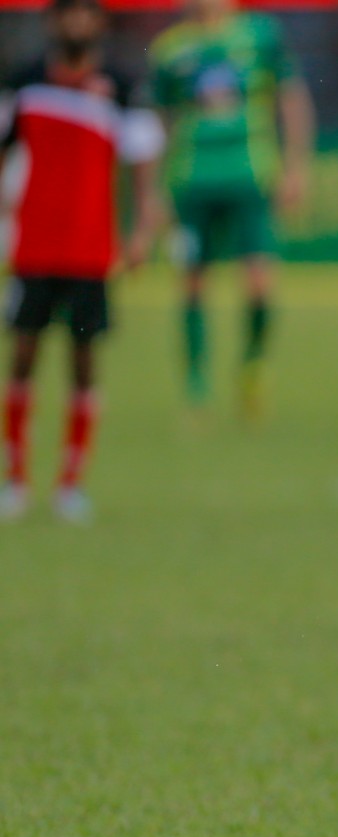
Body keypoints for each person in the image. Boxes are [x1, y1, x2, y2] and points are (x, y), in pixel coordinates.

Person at [0, 0, 163, 524]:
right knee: (23, 357)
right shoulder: (23, 81)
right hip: (33, 248)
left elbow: (142, 166)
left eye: (85, 13)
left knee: (84, 361)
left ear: (99, 22)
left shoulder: (121, 84)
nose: (77, 23)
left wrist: (141, 231)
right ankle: (17, 478)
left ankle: (71, 482)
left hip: (92, 252)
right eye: (67, 13)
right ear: (53, 22)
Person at [148, 0, 312, 418]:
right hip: (191, 181)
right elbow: (161, 121)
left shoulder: (261, 34)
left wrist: (296, 166)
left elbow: (291, 98)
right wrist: (156, 189)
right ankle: (196, 383)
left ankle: (252, 365)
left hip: (250, 176)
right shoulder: (169, 49)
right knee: (191, 283)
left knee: (259, 283)